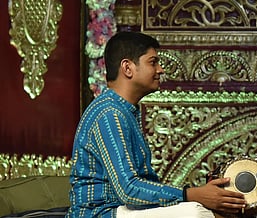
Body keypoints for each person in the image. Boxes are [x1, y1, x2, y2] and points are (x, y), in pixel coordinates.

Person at [68, 31, 247, 218]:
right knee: (195, 213)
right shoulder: (109, 114)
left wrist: (198, 196)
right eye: (152, 62)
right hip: (100, 213)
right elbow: (128, 190)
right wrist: (191, 195)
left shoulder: (123, 111)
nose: (160, 69)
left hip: (122, 210)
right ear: (127, 68)